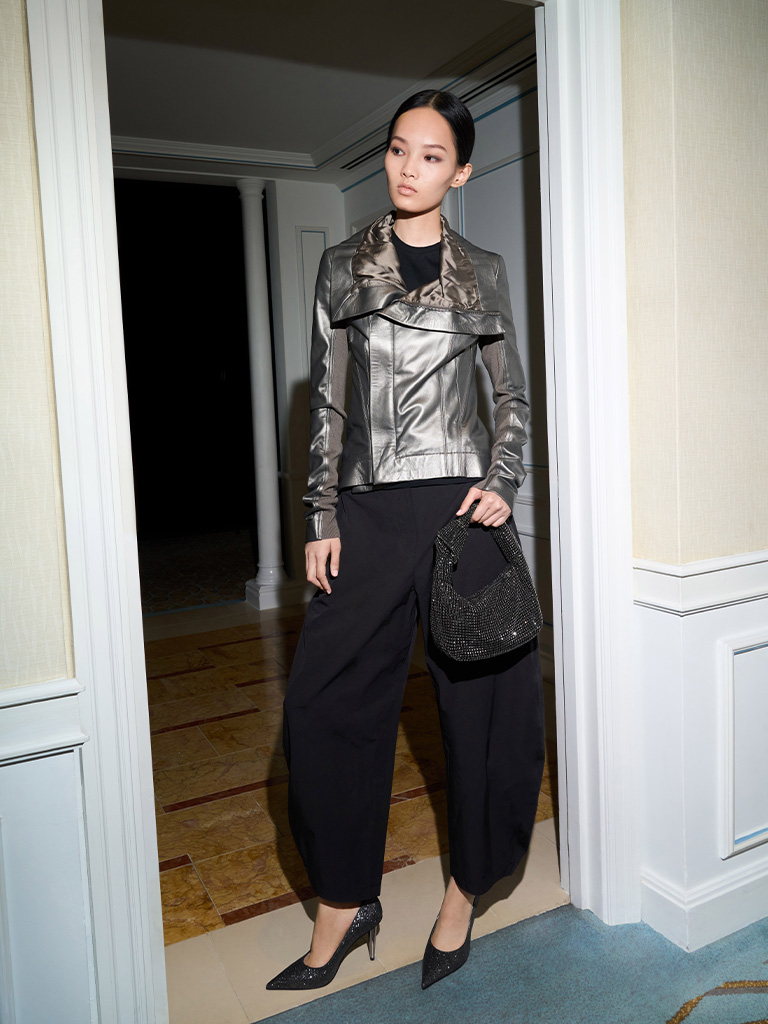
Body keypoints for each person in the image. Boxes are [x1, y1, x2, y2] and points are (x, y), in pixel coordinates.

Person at [266, 90, 545, 992]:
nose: (409, 167)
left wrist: (502, 483)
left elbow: (512, 397)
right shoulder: (343, 264)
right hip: (369, 513)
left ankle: (464, 892)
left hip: (465, 514)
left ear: (460, 172)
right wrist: (321, 513)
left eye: (431, 155)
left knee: (486, 715)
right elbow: (326, 400)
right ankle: (344, 903)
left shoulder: (485, 271)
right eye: (397, 149)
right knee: (324, 708)